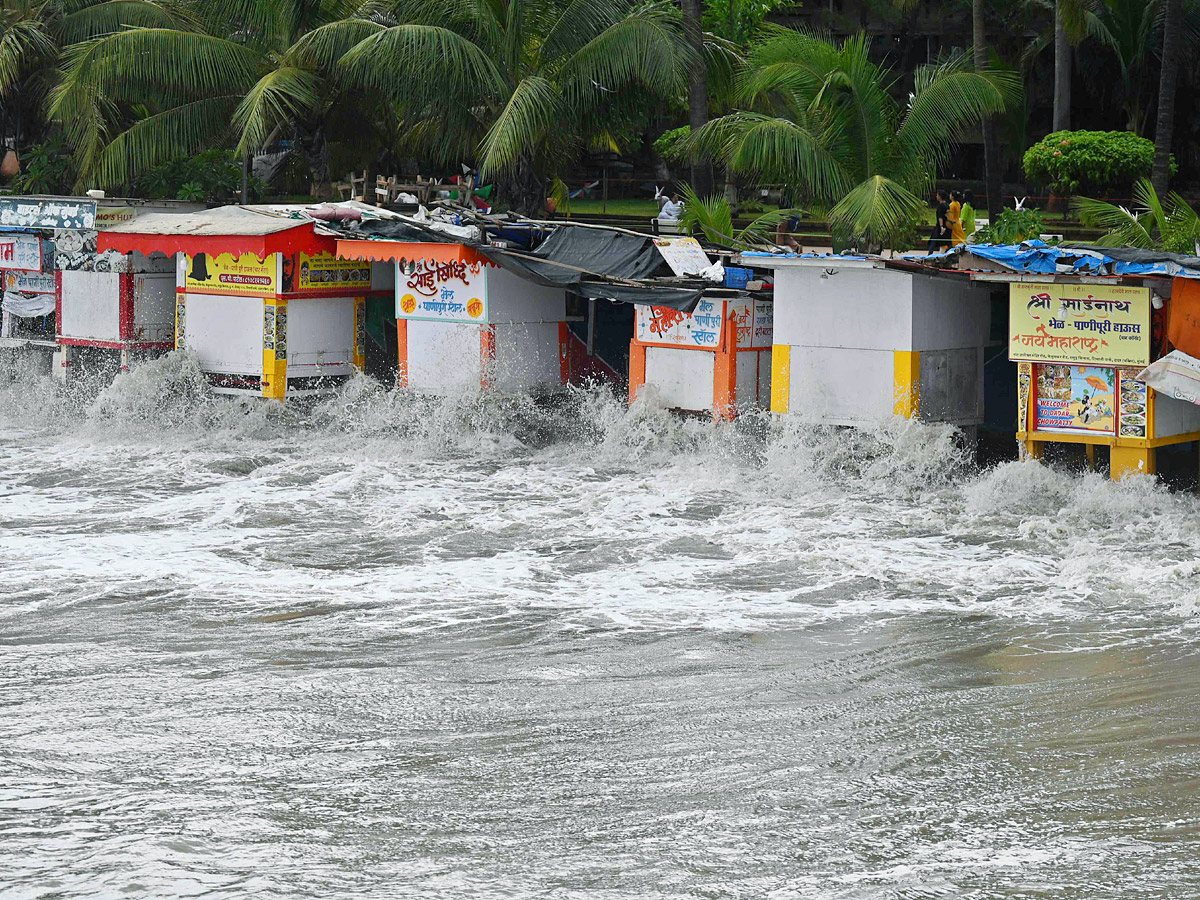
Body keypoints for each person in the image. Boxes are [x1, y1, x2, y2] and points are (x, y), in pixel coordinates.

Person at [775, 187, 802, 251]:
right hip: (794, 219)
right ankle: (796, 246)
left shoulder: (783, 199)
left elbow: (783, 211)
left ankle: (780, 248)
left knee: (780, 234)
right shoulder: (791, 199)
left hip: (787, 218)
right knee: (786, 235)